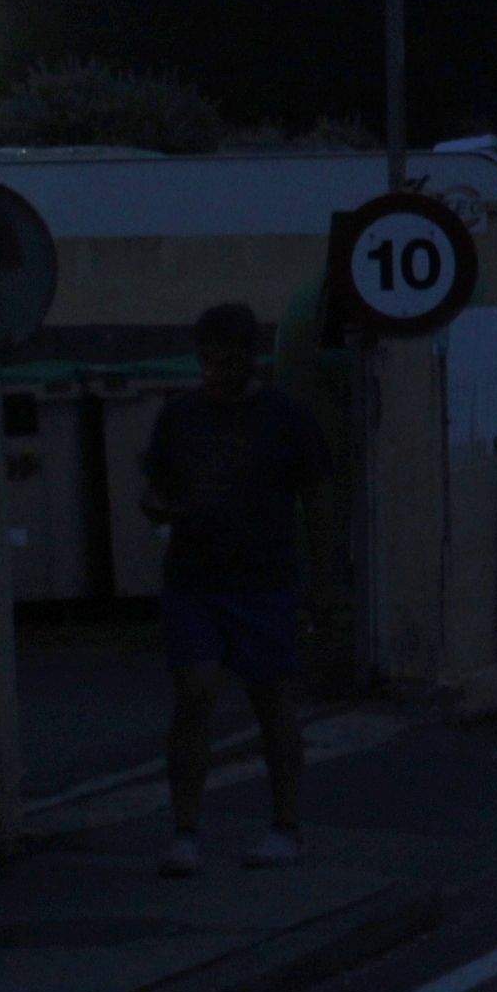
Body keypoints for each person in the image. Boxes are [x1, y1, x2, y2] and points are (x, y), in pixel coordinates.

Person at [139, 301, 327, 875]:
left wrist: (316, 580)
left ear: (249, 358)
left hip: (264, 578)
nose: (213, 372)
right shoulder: (180, 417)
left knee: (272, 702)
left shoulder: (284, 418)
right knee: (194, 693)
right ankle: (186, 830)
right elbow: (154, 486)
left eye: (224, 360)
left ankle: (286, 827)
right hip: (195, 576)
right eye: (206, 360)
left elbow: (315, 497)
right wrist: (159, 506)